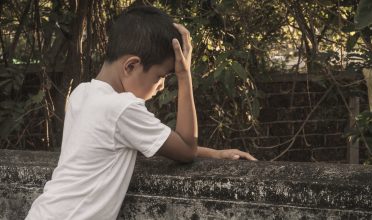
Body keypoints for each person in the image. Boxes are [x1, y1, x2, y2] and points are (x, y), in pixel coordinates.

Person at [25, 5, 257, 220]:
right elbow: (185, 149)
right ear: (131, 66)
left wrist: (215, 155)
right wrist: (184, 76)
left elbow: (154, 144)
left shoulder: (82, 94)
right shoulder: (122, 108)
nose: (162, 86)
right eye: (162, 76)